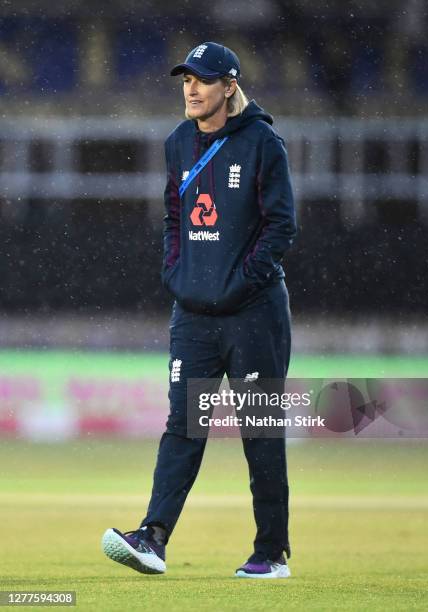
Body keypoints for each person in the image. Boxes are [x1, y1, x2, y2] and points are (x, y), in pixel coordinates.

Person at [102, 41, 296, 579]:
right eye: (186, 78)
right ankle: (153, 538)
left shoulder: (262, 142)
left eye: (203, 80)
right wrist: (177, 274)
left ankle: (270, 552)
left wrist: (240, 283)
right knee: (183, 425)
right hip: (192, 313)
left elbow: (282, 227)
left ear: (229, 86)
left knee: (259, 428)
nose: (191, 88)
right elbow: (173, 216)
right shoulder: (177, 143)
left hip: (253, 313)